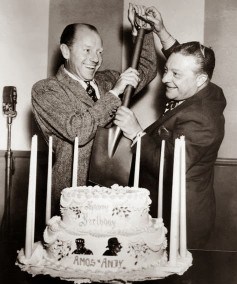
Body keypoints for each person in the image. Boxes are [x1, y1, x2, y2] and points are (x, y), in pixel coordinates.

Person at [114, 6, 226, 248]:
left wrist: (136, 133)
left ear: (200, 80)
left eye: (175, 74)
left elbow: (171, 167)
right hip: (168, 209)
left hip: (181, 220)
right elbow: (185, 61)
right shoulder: (205, 89)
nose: (165, 79)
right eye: (166, 71)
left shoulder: (202, 118)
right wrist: (161, 32)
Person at [32, 4, 158, 215]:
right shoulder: (46, 90)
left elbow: (145, 70)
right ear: (65, 51)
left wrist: (142, 33)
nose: (96, 58)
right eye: (87, 50)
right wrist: (114, 94)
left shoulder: (107, 80)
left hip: (114, 191)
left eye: (99, 51)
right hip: (72, 195)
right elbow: (77, 131)